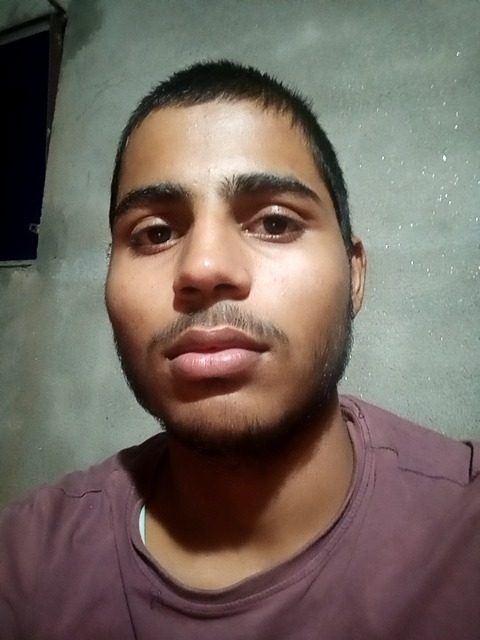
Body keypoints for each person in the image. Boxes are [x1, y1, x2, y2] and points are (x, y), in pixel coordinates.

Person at [1, 60, 479, 640]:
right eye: (155, 233)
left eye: (274, 223)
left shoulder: (463, 536)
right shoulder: (25, 565)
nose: (203, 268)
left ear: (354, 275)